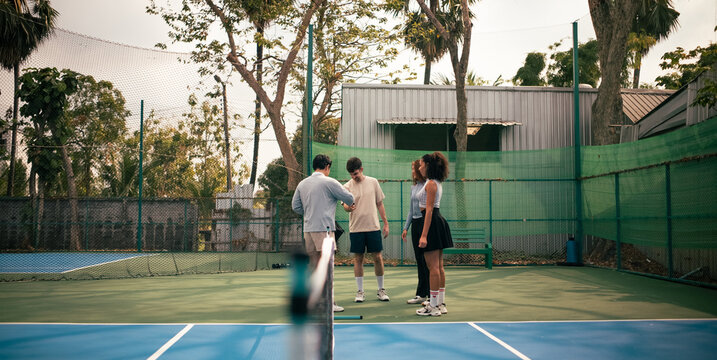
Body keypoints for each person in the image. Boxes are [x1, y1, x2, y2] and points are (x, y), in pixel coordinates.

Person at [292, 154, 355, 312]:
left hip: (308, 229)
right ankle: (328, 302)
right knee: (327, 267)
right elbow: (349, 198)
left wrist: (309, 213)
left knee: (313, 267)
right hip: (325, 229)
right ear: (327, 167)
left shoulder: (302, 184)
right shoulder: (330, 182)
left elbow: (295, 206)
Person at [341, 157, 390, 302]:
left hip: (373, 227)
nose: (353, 176)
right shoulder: (346, 187)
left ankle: (381, 290)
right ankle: (360, 291)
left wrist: (386, 223)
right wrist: (348, 207)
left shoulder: (373, 182)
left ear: (361, 169)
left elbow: (380, 204)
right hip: (356, 229)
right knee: (358, 259)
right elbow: (344, 206)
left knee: (378, 257)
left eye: (355, 173)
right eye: (351, 174)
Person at [415, 152, 453, 316]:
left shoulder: (431, 184)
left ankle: (434, 306)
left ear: (428, 166)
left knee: (433, 267)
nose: (419, 167)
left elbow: (429, 210)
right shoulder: (434, 182)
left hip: (431, 222)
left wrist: (423, 235)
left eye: (421, 164)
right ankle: (440, 303)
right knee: (439, 267)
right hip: (437, 222)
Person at [402, 159, 429, 305]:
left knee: (427, 261)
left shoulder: (428, 185)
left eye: (414, 168)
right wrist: (406, 227)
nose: (412, 171)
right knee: (419, 260)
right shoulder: (414, 188)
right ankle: (421, 294)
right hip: (416, 225)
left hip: (425, 223)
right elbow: (411, 210)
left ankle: (432, 295)